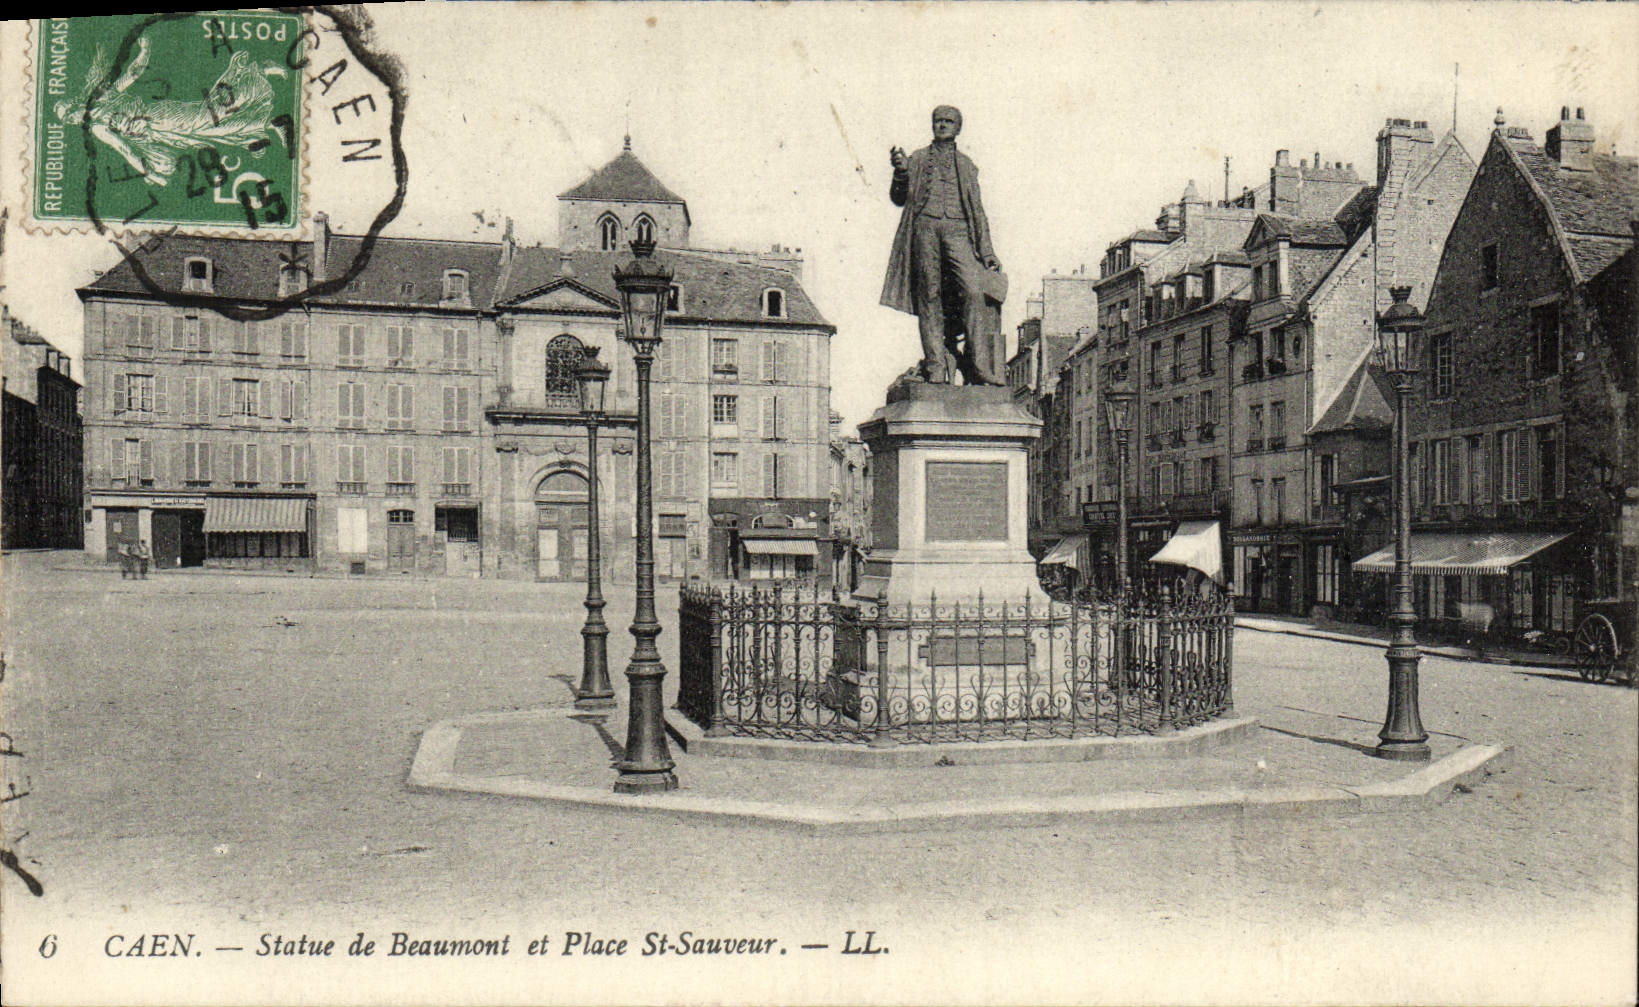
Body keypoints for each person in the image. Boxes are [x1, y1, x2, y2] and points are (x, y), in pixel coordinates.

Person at [880, 105, 1007, 385]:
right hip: (925, 228)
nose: (942, 125)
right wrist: (900, 173)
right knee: (929, 295)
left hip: (959, 231)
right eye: (938, 121)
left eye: (948, 121)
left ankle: (980, 366)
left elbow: (978, 211)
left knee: (973, 292)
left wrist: (986, 251)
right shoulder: (916, 159)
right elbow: (899, 198)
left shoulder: (967, 165)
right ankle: (936, 366)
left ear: (958, 128)